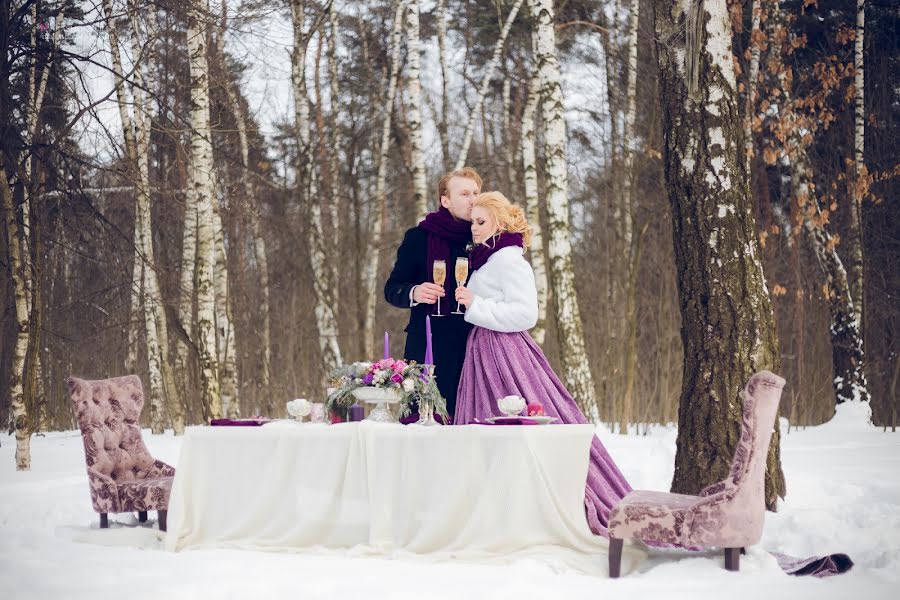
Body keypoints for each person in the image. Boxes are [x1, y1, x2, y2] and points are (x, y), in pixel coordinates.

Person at [453, 191, 632, 537]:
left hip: (505, 353)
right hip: (484, 350)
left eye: (481, 221)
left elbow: (525, 314)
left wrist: (476, 305)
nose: (473, 228)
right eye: (473, 221)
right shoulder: (489, 259)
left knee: (517, 426)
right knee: (490, 432)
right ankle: (495, 512)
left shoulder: (509, 260)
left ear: (500, 222)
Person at [384, 167, 482, 418]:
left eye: (476, 193)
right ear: (445, 200)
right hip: (427, 345)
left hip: (472, 343)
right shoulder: (419, 238)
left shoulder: (484, 238)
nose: (472, 199)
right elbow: (392, 289)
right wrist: (415, 292)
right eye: (464, 194)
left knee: (469, 423)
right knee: (423, 422)